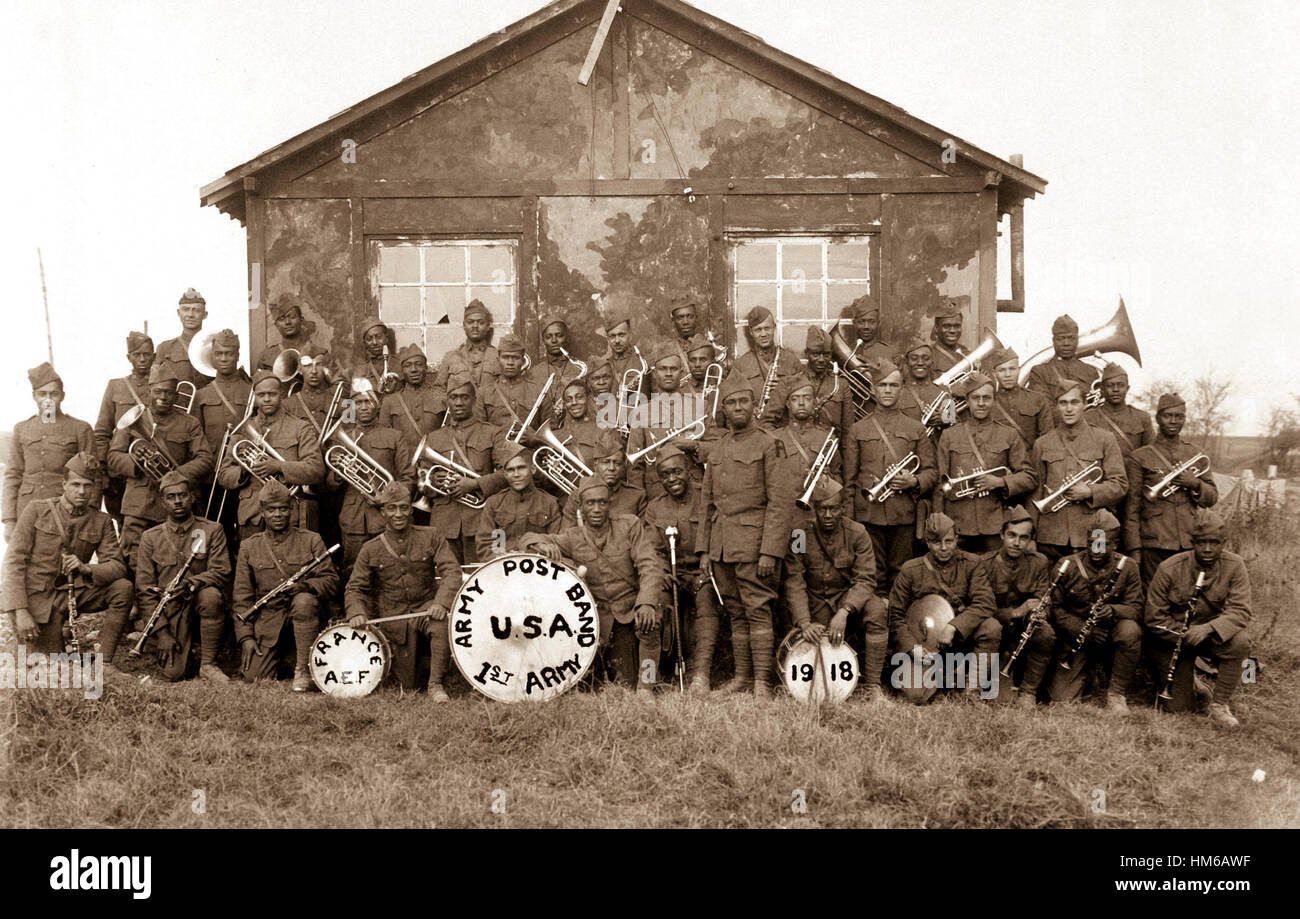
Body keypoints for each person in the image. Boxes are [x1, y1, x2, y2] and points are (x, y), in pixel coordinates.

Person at [696, 372, 796, 698]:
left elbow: (780, 504)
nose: (738, 407)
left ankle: (763, 684)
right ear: (722, 408)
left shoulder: (769, 444)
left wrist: (770, 551)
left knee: (757, 610)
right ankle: (742, 678)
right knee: (736, 613)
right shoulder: (717, 449)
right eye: (731, 402)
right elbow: (707, 504)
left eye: (743, 401)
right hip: (722, 547)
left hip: (754, 547)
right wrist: (705, 552)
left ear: (754, 404)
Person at [524, 475, 666, 691]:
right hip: (594, 619)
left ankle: (647, 685)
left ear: (610, 504)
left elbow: (649, 565)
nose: (597, 508)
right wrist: (539, 545)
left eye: (602, 502)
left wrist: (645, 602)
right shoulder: (573, 537)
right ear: (581, 507)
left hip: (626, 614)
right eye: (591, 503)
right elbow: (525, 538)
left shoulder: (630, 526)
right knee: (600, 684)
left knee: (649, 624)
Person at [1, 454, 132, 658]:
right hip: (37, 600)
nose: (82, 491)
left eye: (88, 485)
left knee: (123, 587)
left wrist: (85, 568)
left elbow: (117, 566)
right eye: (76, 484)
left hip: (70, 593)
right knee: (50, 667)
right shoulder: (37, 510)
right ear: (64, 484)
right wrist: (21, 612)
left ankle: (105, 662)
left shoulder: (101, 521)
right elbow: (13, 563)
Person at [344, 480, 462, 698]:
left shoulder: (431, 536)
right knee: (407, 683)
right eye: (392, 508)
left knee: (440, 623)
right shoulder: (370, 549)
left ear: (410, 509)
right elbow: (354, 589)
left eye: (404, 507)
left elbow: (452, 572)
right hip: (393, 618)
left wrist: (440, 603)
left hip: (425, 608)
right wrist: (356, 612)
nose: (399, 514)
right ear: (383, 512)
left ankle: (436, 684)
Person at [782, 478, 889, 701]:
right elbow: (794, 580)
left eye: (833, 509)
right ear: (814, 509)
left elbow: (865, 579)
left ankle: (872, 685)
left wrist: (845, 611)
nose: (828, 515)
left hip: (847, 599)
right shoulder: (799, 534)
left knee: (877, 610)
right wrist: (804, 622)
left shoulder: (858, 533)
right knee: (814, 638)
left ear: (842, 508)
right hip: (816, 601)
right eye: (822, 509)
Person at [1144, 509, 1251, 728]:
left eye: (1214, 542)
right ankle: (1194, 684)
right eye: (1202, 542)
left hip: (1209, 636)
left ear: (1224, 542)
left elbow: (1241, 611)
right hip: (1172, 639)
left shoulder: (1235, 565)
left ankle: (1219, 704)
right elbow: (1153, 617)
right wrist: (1183, 633)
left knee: (1240, 642)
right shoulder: (1169, 567)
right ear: (1192, 542)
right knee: (1178, 708)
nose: (1208, 549)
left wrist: (1208, 629)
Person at [232, 479, 339, 690]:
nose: (278, 515)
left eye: (283, 509)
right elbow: (241, 596)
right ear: (262, 511)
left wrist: (306, 587)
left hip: (306, 618)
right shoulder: (249, 547)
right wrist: (246, 637)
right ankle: (287, 659)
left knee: (304, 601)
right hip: (269, 622)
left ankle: (303, 670)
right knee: (254, 676)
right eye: (271, 510)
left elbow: (332, 581)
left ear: (292, 509)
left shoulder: (311, 540)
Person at [126, 471, 231, 683]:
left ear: (191, 497)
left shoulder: (212, 530)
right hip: (170, 610)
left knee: (211, 596)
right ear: (163, 501)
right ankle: (179, 648)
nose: (178, 502)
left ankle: (209, 664)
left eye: (182, 495)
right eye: (171, 497)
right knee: (174, 673)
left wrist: (191, 583)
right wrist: (163, 634)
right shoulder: (150, 538)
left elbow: (221, 571)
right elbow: (145, 591)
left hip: (200, 600)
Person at [842, 359, 938, 592]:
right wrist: (850, 521)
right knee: (870, 574)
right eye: (882, 385)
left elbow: (932, 472)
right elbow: (849, 482)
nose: (887, 390)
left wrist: (914, 481)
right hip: (867, 515)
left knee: (902, 574)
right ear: (873, 389)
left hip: (903, 514)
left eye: (893, 385)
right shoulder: (858, 429)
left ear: (901, 389)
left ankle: (897, 624)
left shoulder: (916, 428)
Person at [107, 362, 214, 566]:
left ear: (176, 395)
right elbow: (113, 457)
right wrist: (136, 462)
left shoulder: (189, 423)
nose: (163, 397)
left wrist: (175, 478)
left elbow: (205, 458)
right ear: (149, 391)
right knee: (135, 562)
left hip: (175, 507)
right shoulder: (132, 418)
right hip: (138, 506)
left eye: (168, 393)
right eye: (158, 391)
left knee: (175, 561)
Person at [888, 512, 999, 699]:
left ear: (957, 539)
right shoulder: (911, 570)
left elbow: (985, 602)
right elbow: (895, 614)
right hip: (925, 644)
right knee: (915, 696)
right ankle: (946, 677)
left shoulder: (971, 564)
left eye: (949, 541)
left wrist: (954, 626)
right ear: (927, 543)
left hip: (960, 638)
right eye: (937, 542)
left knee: (991, 627)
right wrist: (911, 647)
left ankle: (972, 688)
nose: (944, 548)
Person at [1043, 509, 1143, 714]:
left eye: (1104, 544)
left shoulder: (1128, 566)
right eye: (1092, 543)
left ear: (1115, 544)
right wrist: (1081, 629)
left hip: (1110, 635)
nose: (1096, 550)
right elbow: (1054, 609)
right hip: (1075, 637)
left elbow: (1137, 610)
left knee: (1130, 631)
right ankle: (1086, 675)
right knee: (1060, 700)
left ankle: (1116, 693)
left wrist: (1113, 611)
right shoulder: (1067, 565)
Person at [642, 445, 719, 691]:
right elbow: (652, 549)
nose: (672, 479)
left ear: (689, 471)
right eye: (665, 475)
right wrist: (663, 571)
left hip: (702, 573)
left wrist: (708, 564)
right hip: (670, 576)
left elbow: (718, 534)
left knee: (707, 607)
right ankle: (648, 680)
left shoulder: (706, 498)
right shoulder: (655, 507)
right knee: (654, 607)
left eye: (677, 472)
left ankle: (700, 676)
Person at [215, 369, 325, 540]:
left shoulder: (300, 428)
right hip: (252, 515)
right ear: (254, 397)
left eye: (272, 394)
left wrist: (278, 466)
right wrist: (244, 470)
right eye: (261, 395)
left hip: (290, 514)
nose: (266, 399)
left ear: (281, 394)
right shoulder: (243, 430)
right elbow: (223, 476)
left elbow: (316, 470)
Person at [933, 372, 1035, 555]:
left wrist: (1000, 482)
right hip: (957, 523)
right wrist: (941, 525)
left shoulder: (1008, 435)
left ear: (994, 400)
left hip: (994, 524)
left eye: (986, 398)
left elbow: (1029, 477)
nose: (981, 403)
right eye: (975, 398)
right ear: (967, 400)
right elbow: (940, 486)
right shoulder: (949, 435)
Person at [1028, 380, 1128, 563]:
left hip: (1095, 531)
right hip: (1051, 534)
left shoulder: (1105, 439)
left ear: (1084, 404)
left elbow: (1120, 485)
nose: (1069, 409)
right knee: (1054, 586)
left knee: (1092, 585)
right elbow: (1035, 493)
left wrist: (1090, 492)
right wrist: (1031, 536)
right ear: (1056, 406)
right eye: (1063, 403)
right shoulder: (1042, 443)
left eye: (1074, 402)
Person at [1124, 392, 1219, 583]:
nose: (1173, 421)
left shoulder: (1195, 453)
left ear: (1184, 418)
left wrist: (1195, 483)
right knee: (1154, 598)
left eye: (1179, 416)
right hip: (1154, 542)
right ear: (1158, 418)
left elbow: (1212, 497)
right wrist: (1135, 549)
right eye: (1168, 416)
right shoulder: (1140, 456)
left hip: (1188, 540)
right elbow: (1131, 507)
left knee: (1186, 594)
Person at [416, 372, 509, 564]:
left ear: (474, 400)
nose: (459, 402)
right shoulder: (433, 438)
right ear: (447, 401)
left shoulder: (492, 433)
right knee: (447, 578)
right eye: (454, 397)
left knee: (485, 574)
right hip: (444, 522)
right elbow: (421, 482)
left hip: (482, 521)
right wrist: (432, 481)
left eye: (464, 397)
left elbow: (508, 473)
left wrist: (474, 483)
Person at [330, 380, 414, 574]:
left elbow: (408, 478)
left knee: (389, 569)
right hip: (353, 519)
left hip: (385, 517)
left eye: (368, 401)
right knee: (353, 571)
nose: (364, 407)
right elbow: (329, 485)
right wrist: (339, 471)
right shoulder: (343, 438)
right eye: (358, 403)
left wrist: (387, 499)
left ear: (377, 404)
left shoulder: (394, 436)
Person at [4, 362, 94, 540]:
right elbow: (13, 474)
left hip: (64, 509)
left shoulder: (80, 428)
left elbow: (94, 477)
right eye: (42, 394)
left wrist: (89, 517)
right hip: (26, 510)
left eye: (53, 394)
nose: (48, 399)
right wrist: (9, 520)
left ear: (62, 396)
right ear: (34, 396)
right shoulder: (22, 429)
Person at [978, 506, 1056, 707]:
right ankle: (982, 684)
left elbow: (1043, 598)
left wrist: (1039, 613)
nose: (1017, 542)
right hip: (995, 634)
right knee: (1000, 700)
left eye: (1024, 537)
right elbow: (981, 608)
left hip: (1023, 630)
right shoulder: (984, 563)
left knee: (1045, 633)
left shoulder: (1039, 563)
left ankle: (1028, 692)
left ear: (1030, 540)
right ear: (1002, 535)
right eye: (1011, 535)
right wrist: (1015, 612)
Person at [93, 332, 156, 526]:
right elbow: (102, 432)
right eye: (137, 355)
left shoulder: (162, 385)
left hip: (155, 467)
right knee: (126, 527)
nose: (142, 359)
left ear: (154, 356)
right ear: (129, 358)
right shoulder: (116, 386)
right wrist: (105, 470)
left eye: (147, 354)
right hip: (122, 471)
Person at [625, 343, 702, 499]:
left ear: (681, 372)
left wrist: (694, 445)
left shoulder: (699, 406)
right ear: (654, 373)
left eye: (673, 369)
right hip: (657, 493)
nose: (668, 373)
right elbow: (635, 467)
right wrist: (640, 502)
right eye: (662, 369)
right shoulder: (641, 413)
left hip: (695, 490)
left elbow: (716, 450)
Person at [772, 373, 841, 529]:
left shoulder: (827, 438)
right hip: (783, 514)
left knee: (808, 551)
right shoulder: (774, 438)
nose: (801, 403)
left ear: (815, 402)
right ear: (788, 404)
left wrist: (827, 479)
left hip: (816, 517)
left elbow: (839, 477)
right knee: (791, 551)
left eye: (807, 398)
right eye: (795, 399)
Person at [475, 442, 561, 559]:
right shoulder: (494, 504)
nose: (516, 474)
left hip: (540, 567)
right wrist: (500, 555)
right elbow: (486, 544)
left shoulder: (550, 503)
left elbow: (555, 542)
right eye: (511, 470)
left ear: (533, 469)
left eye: (521, 468)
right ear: (505, 474)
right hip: (503, 567)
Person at [731, 307, 802, 430]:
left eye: (767, 328)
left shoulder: (791, 360)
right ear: (751, 332)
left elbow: (803, 399)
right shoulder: (740, 365)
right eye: (758, 330)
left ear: (774, 327)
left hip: (785, 429)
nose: (763, 334)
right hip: (753, 430)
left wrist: (784, 390)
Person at [561, 429, 646, 526]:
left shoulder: (637, 496)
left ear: (623, 467)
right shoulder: (576, 497)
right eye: (605, 462)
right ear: (595, 465)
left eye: (617, 463)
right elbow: (566, 535)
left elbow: (642, 538)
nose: (611, 468)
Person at [480, 334, 550, 444]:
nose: (510, 363)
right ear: (498, 360)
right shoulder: (484, 393)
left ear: (523, 361)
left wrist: (536, 438)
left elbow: (553, 430)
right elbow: (479, 433)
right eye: (505, 357)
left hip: (530, 454)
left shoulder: (538, 390)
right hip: (497, 455)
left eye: (515, 358)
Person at [988, 346, 1053, 449]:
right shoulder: (987, 403)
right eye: (1002, 370)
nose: (1008, 374)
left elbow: (1047, 438)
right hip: (998, 463)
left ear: (1018, 370)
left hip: (1030, 462)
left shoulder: (1037, 399)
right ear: (994, 373)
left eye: (1012, 369)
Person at [379, 343, 447, 439]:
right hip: (403, 454)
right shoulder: (390, 402)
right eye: (408, 365)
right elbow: (385, 438)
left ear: (426, 368)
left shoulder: (441, 398)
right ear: (402, 371)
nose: (413, 369)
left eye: (419, 364)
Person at [1084, 362, 1152, 459]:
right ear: (1102, 389)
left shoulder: (1142, 418)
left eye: (1120, 385)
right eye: (1110, 385)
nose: (1115, 389)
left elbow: (1151, 455)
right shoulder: (1088, 418)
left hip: (1133, 472)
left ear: (1127, 388)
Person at [1022, 314, 1099, 400]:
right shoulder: (1040, 372)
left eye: (1071, 338)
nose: (1066, 343)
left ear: (1077, 340)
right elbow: (1041, 405)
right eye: (1061, 339)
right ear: (1053, 341)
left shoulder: (1090, 372)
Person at [434, 299, 501, 393]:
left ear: (488, 326)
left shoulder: (498, 356)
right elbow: (438, 390)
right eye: (470, 322)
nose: (475, 326)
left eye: (481, 322)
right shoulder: (450, 357)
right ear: (464, 325)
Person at [156, 288, 213, 390]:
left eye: (196, 310)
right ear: (178, 313)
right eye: (186, 310)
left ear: (205, 315)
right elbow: (156, 383)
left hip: (207, 403)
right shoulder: (165, 348)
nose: (190, 315)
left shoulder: (214, 345)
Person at [255, 294, 320, 372]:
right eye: (281, 319)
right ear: (276, 324)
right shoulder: (266, 356)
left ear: (301, 320)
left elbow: (335, 382)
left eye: (292, 317)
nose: (287, 322)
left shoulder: (319, 353)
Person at [284, 342, 338, 436]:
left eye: (319, 364)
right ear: (299, 369)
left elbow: (351, 436)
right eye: (308, 365)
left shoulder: (342, 403)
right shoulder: (286, 406)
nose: (314, 371)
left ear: (326, 368)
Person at [897, 338, 947, 430]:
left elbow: (957, 423)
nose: (920, 363)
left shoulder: (944, 391)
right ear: (907, 362)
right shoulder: (897, 393)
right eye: (914, 359)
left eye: (926, 358)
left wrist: (946, 419)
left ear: (932, 362)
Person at [844, 297, 895, 375]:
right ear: (854, 323)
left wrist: (879, 371)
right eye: (861, 322)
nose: (866, 327)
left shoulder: (891, 353)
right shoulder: (846, 351)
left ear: (878, 323)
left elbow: (899, 382)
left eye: (872, 322)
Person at [352, 318, 400, 396]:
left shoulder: (399, 365)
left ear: (386, 339)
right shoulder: (359, 370)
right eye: (369, 339)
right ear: (364, 343)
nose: (374, 342)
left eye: (379, 337)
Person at [538, 317, 585, 390]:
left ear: (566, 338)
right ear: (543, 340)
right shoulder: (534, 373)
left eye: (559, 335)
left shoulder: (579, 368)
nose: (554, 340)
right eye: (548, 337)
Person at [929, 300, 969, 376]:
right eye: (947, 326)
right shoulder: (928, 355)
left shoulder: (967, 354)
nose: (952, 331)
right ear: (936, 328)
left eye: (957, 326)